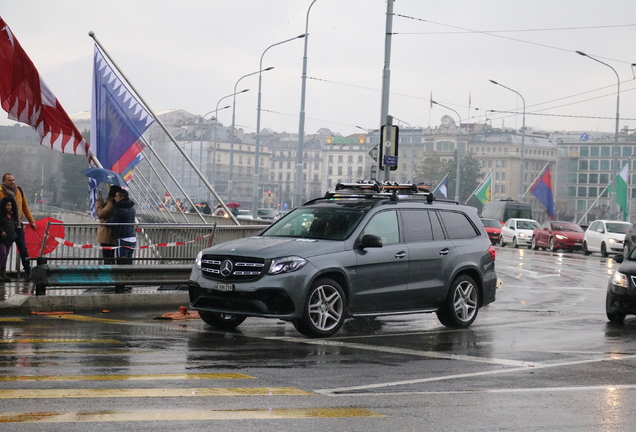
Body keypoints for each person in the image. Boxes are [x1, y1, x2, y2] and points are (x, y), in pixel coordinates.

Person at [0, 173, 37, 281]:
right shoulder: (1, 192)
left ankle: (28, 271)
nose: (13, 182)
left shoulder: (19, 191)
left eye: (13, 180)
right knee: (4, 251)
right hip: (5, 225)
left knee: (23, 248)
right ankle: (2, 273)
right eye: (10, 180)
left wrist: (32, 221)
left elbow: (25, 207)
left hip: (18, 224)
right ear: (4, 181)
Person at [95, 185, 123, 264]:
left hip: (106, 233)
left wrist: (99, 202)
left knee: (107, 256)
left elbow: (101, 214)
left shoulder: (111, 203)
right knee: (110, 255)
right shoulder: (114, 203)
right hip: (111, 233)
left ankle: (108, 271)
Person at [110, 189, 136, 265]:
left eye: (116, 196)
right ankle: (129, 276)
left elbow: (114, 223)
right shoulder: (132, 208)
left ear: (121, 198)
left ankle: (120, 276)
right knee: (129, 260)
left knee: (120, 261)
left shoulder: (119, 209)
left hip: (122, 237)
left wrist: (106, 223)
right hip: (132, 237)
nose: (115, 198)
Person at [0, 197, 19, 282]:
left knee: (6, 255)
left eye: (10, 205)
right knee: (2, 253)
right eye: (7, 205)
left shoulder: (12, 216)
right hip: (1, 238)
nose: (9, 207)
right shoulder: (1, 215)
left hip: (9, 239)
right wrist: (1, 231)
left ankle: (3, 273)